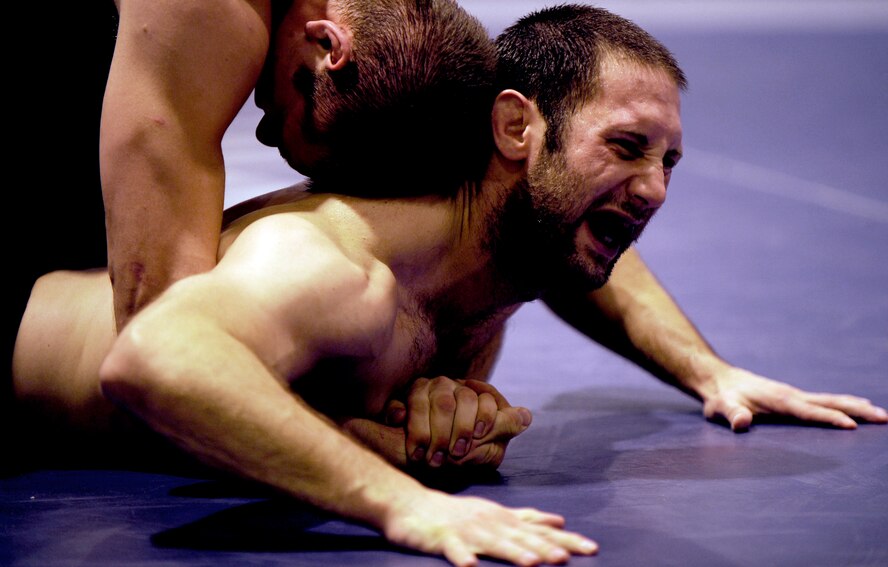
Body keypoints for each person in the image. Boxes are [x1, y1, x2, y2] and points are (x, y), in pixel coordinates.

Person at [10, 5, 887, 566]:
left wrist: (709, 371)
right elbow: (151, 353)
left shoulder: (509, 233)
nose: (656, 188)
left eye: (669, 162)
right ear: (515, 131)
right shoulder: (335, 264)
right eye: (626, 148)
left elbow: (583, 241)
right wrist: (400, 496)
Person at [101, 0, 496, 329]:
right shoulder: (213, 12)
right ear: (327, 43)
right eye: (280, 121)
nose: (261, 133)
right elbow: (154, 329)